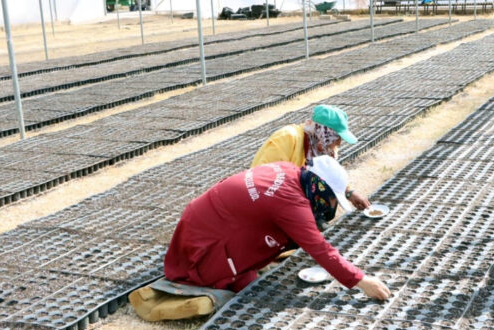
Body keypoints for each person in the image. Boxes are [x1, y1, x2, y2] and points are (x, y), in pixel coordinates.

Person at [163, 155, 391, 299]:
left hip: (202, 219)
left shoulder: (290, 170)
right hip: (204, 239)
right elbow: (319, 248)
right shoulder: (291, 204)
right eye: (333, 199)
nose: (332, 206)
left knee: (259, 272)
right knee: (249, 289)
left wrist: (348, 193)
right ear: (320, 189)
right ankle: (213, 274)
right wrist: (361, 280)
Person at [251, 104, 370, 210]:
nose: (338, 143)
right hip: (265, 198)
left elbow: (330, 176)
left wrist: (349, 193)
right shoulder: (287, 138)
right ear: (323, 133)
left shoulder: (326, 149)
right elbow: (262, 179)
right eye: (337, 137)